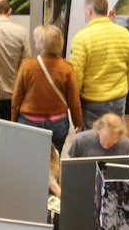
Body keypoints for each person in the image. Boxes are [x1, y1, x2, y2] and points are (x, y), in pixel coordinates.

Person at [69, 0, 129, 127]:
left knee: (93, 141)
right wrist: (123, 85)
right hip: (119, 99)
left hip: (92, 101)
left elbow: (76, 75)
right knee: (116, 138)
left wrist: (75, 100)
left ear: (89, 11)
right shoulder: (124, 33)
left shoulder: (81, 38)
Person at [14, 24, 83, 154]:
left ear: (41, 44)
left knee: (28, 156)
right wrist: (78, 122)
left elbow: (16, 98)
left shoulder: (27, 65)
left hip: (29, 121)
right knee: (54, 159)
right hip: (58, 123)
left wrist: (13, 121)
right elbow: (74, 101)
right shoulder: (67, 68)